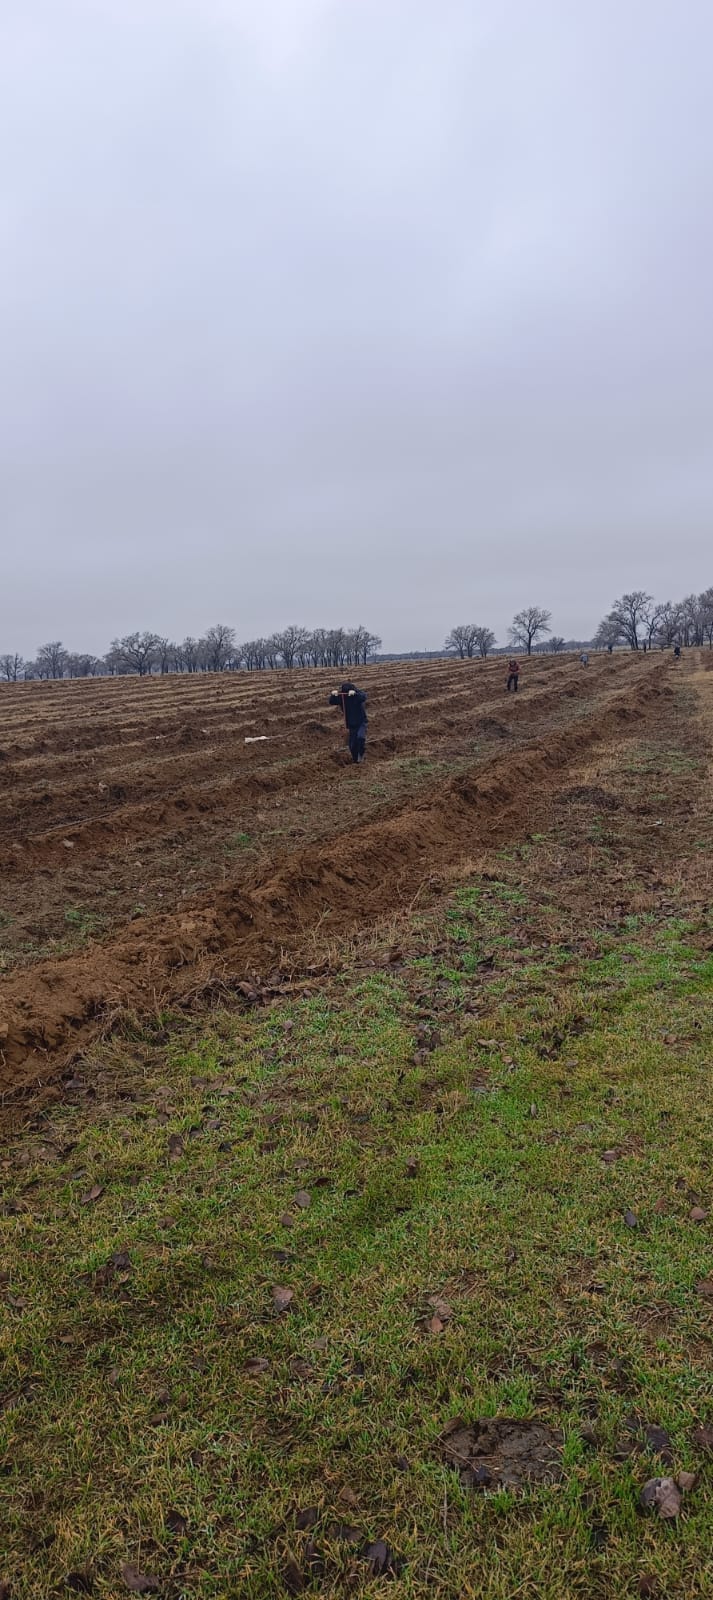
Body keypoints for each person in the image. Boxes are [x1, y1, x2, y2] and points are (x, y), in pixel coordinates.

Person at [329, 681, 368, 762]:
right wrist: (333, 695)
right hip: (351, 724)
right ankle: (355, 760)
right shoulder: (342, 697)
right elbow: (331, 701)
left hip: (361, 722)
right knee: (352, 745)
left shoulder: (356, 696)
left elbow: (364, 696)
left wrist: (355, 692)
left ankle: (361, 753)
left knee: (360, 737)